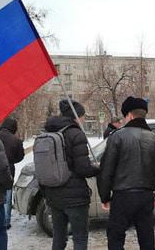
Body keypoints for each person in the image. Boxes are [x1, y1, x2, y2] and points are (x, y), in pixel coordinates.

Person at [97, 96, 155, 250]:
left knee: (116, 237)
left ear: (130, 115)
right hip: (146, 196)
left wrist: (105, 197)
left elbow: (106, 171)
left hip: (122, 197)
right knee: (146, 238)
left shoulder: (117, 137)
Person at [43, 99, 100, 250]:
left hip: (54, 196)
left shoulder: (50, 133)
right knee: (80, 239)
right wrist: (98, 169)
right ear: (76, 117)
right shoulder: (76, 134)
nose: (83, 119)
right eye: (82, 116)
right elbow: (83, 169)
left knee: (59, 238)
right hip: (75, 199)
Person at [0, 117, 25, 229]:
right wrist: (11, 160)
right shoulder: (16, 140)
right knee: (7, 197)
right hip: (8, 170)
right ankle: (6, 222)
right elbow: (20, 157)